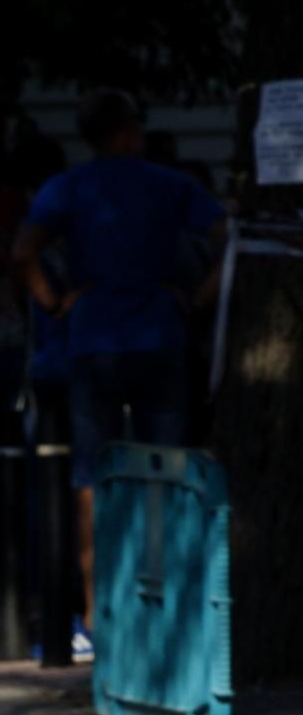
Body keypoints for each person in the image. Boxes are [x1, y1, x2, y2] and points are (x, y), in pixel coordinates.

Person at [14, 89, 226, 623]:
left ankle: (97, 609)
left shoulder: (69, 188)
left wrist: (55, 302)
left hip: (93, 339)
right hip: (162, 334)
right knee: (171, 467)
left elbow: (24, 253)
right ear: (130, 131)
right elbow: (231, 239)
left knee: (93, 476)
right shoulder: (170, 184)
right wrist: (199, 299)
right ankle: (173, 603)